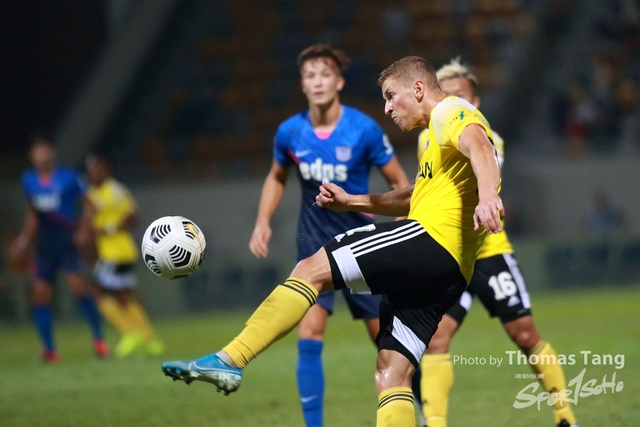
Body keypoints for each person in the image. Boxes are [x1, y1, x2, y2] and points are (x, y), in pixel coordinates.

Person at [161, 56, 503, 427]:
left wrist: (488, 196)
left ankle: (231, 359)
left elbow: (480, 146)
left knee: (310, 268)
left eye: (391, 96)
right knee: (392, 372)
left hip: (430, 240)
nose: (387, 108)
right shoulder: (435, 141)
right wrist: (351, 201)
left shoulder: (450, 111)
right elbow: (412, 196)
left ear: (418, 88)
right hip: (451, 271)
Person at [248, 43, 411, 427]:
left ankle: (417, 409)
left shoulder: (363, 130)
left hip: (361, 245)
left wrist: (406, 226)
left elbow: (399, 181)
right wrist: (262, 221)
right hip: (313, 244)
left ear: (338, 82)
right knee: (310, 332)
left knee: (388, 343)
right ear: (303, 84)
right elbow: (276, 177)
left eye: (325, 74)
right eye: (310, 75)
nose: (317, 81)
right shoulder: (290, 132)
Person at [417, 58, 578, 427]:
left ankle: (566, 417)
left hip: (489, 251)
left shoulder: (486, 137)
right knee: (436, 339)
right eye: (447, 93)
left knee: (524, 334)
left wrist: (487, 194)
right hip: (450, 251)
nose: (452, 101)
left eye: (460, 95)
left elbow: (483, 164)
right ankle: (435, 423)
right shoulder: (427, 138)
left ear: (474, 101)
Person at [10, 136, 108, 362]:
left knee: (78, 288)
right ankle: (50, 350)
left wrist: (83, 230)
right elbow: (32, 214)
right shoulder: (29, 180)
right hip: (44, 244)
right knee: (40, 295)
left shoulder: (68, 177)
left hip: (65, 240)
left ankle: (99, 340)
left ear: (52, 152)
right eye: (37, 151)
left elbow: (90, 206)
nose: (41, 155)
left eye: (44, 150)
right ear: (32, 156)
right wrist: (24, 240)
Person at [85, 153, 165, 358]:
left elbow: (133, 217)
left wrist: (110, 227)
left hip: (118, 252)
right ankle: (150, 339)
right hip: (109, 252)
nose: (94, 173)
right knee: (124, 297)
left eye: (98, 168)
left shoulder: (115, 190)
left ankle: (130, 332)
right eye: (91, 170)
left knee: (99, 293)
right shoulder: (91, 193)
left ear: (106, 169)